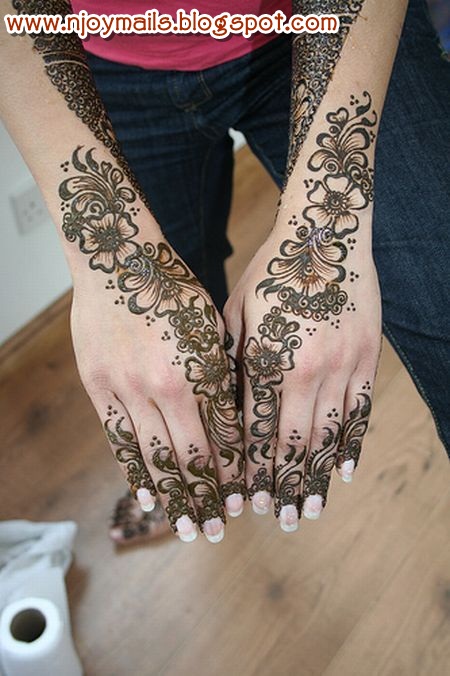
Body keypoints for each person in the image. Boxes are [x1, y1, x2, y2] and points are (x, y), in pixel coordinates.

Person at [0, 0, 448, 547]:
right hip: (96, 56)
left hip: (323, 24)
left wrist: (328, 221)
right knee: (176, 349)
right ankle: (197, 461)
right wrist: (109, 256)